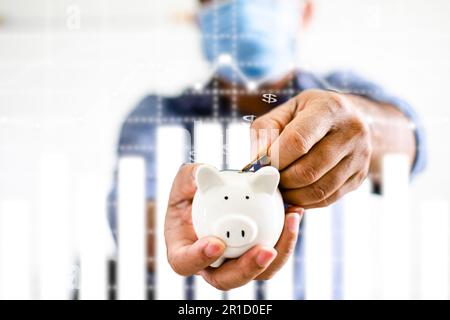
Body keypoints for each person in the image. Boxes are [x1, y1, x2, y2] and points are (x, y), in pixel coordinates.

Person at [108, 0, 426, 298]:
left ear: (305, 11)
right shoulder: (157, 117)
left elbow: (407, 139)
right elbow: (137, 221)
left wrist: (364, 126)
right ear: (200, 12)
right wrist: (181, 233)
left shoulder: (346, 89)